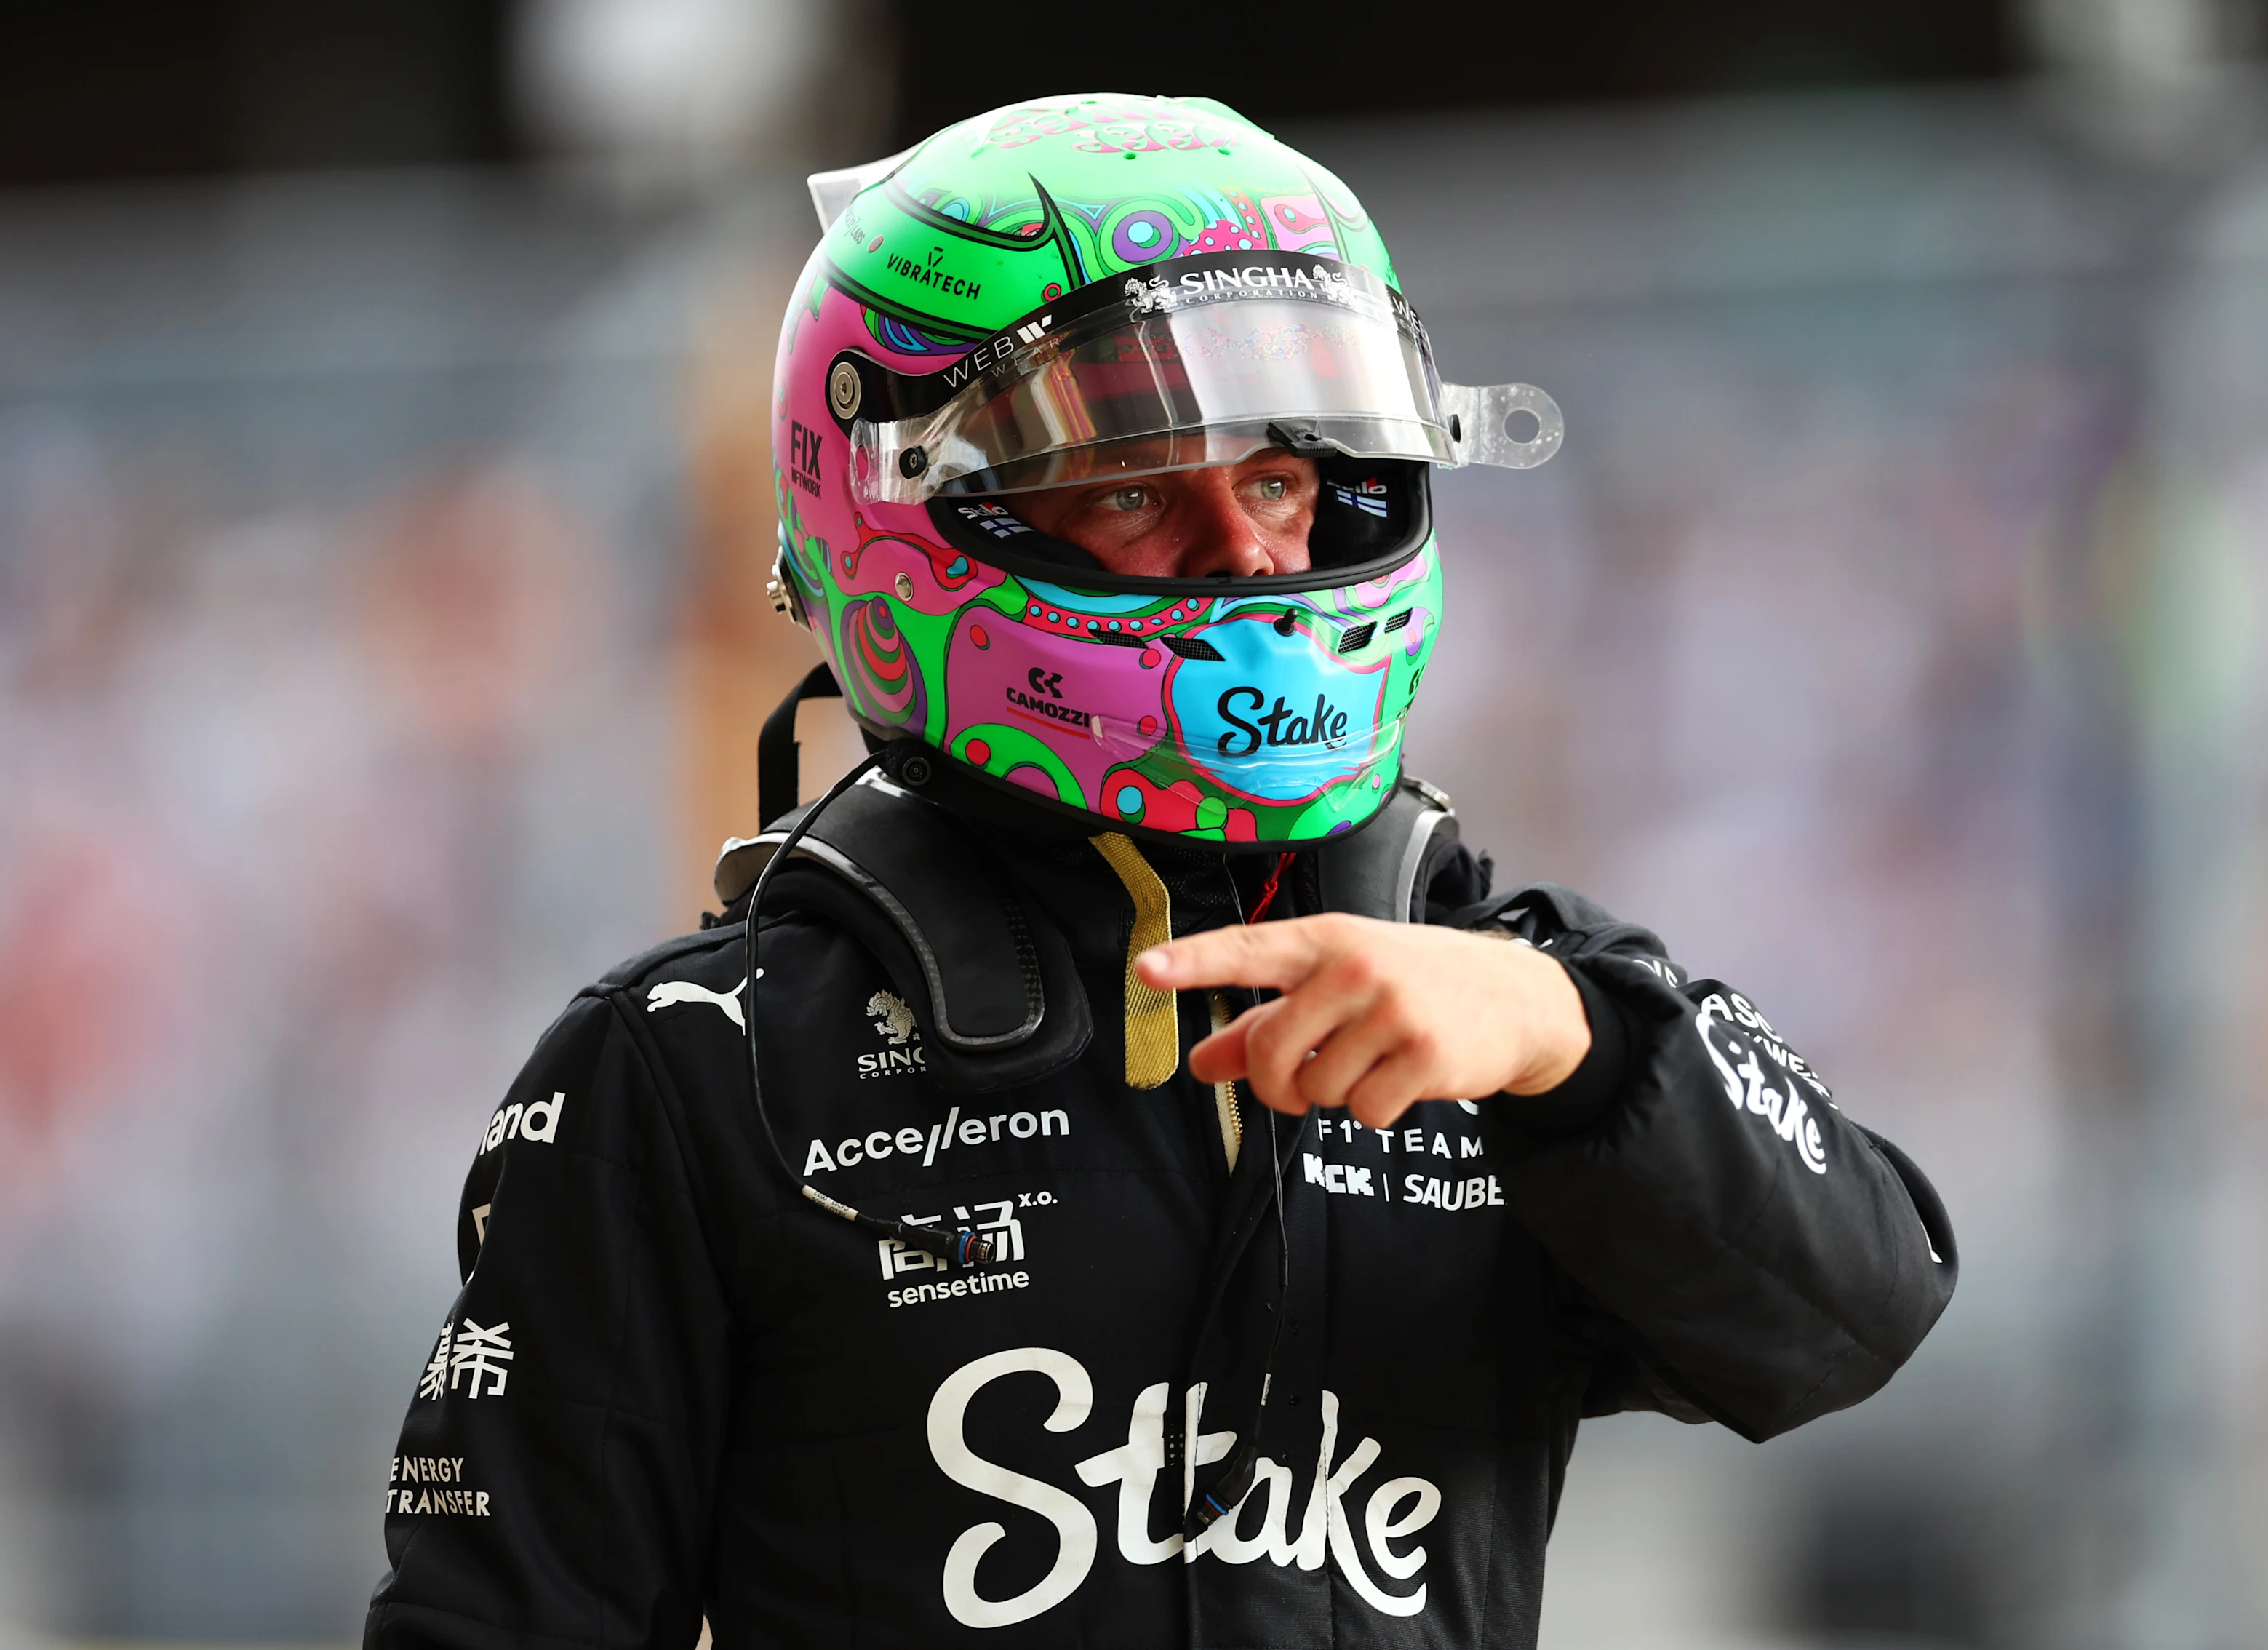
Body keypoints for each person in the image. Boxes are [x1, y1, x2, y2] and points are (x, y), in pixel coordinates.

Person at [364, 94, 1956, 1650]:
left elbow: (1853, 1319)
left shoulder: (1497, 1002)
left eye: (1278, 480)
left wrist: (1581, 1047)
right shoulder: (698, 1069)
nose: (1250, 553)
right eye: (1134, 488)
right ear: (913, 515)